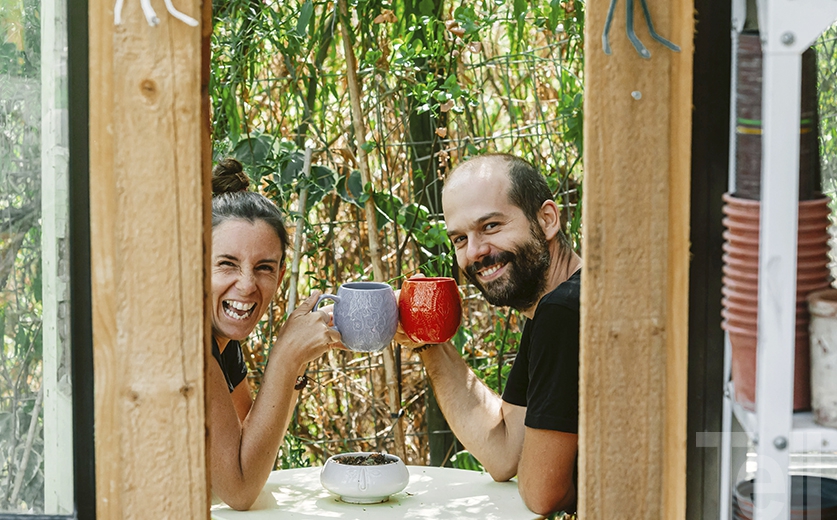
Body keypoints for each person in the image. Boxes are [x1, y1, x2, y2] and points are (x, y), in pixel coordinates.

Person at [395, 153, 581, 516]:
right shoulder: (549, 307)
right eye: (460, 239)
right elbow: (505, 453)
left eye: (491, 226)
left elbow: (543, 493)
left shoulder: (564, 311)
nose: (476, 252)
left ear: (546, 219)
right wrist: (427, 341)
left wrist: (541, 464)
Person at [208, 158, 342, 510]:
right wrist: (285, 356)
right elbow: (239, 489)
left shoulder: (222, 341)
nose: (248, 285)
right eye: (227, 264)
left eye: (264, 268)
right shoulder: (186, 342)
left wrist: (297, 360)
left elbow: (248, 447)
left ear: (280, 276)